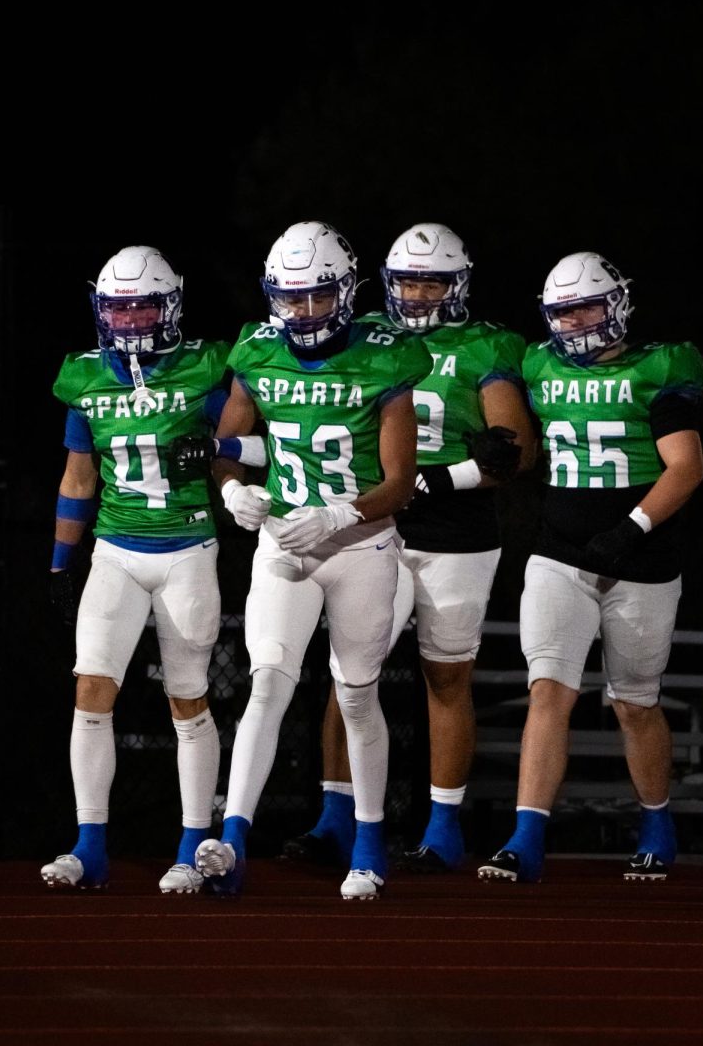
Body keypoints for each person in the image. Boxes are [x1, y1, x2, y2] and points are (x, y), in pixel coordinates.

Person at [283, 223, 535, 875]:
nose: (420, 295)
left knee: (446, 677)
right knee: (349, 674)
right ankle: (336, 817)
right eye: (409, 281)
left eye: (434, 282)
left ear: (459, 285)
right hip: (375, 523)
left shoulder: (484, 346)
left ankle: (443, 826)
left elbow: (515, 451)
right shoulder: (364, 336)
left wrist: (451, 473)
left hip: (456, 529)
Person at [191, 220, 433, 900]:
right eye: (289, 298)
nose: (301, 313)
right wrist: (235, 489)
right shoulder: (257, 351)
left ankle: (367, 843)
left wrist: (340, 512)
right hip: (284, 544)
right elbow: (227, 445)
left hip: (361, 544)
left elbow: (399, 479)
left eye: (316, 297)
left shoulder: (385, 356)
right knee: (265, 685)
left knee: (356, 695)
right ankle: (232, 840)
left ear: (346, 293)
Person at [478, 251, 703, 885]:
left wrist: (629, 528)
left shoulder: (658, 367)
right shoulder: (537, 363)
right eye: (563, 311)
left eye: (587, 306)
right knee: (547, 689)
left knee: (635, 702)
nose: (575, 321)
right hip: (560, 553)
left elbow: (686, 468)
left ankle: (657, 822)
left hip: (643, 558)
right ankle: (527, 836)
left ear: (618, 305)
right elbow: (505, 425)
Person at [41, 245, 233, 895]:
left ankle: (190, 843)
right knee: (91, 690)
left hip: (186, 549)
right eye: (117, 310)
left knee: (187, 697)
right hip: (116, 550)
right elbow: (77, 476)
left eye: (142, 307)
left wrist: (221, 451)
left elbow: (247, 444)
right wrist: (61, 563)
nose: (128, 322)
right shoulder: (85, 377)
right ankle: (89, 844)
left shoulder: (206, 370)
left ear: (170, 306)